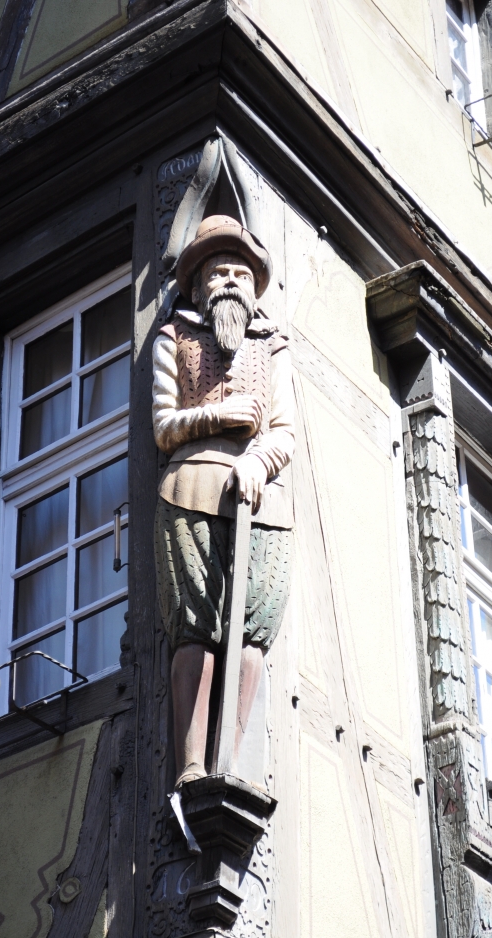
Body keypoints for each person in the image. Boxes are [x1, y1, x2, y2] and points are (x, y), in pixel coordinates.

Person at [153, 214, 295, 787]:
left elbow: (284, 428)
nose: (231, 282)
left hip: (264, 502)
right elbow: (163, 425)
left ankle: (230, 761)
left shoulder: (272, 344)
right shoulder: (175, 337)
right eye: (218, 273)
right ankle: (192, 762)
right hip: (189, 489)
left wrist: (259, 460)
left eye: (240, 272)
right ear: (196, 287)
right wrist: (216, 416)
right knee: (196, 628)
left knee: (253, 629)